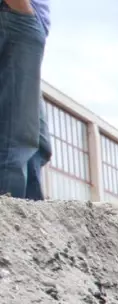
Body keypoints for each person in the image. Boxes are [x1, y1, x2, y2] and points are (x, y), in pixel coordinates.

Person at [0, 0, 51, 200]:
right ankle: (7, 224)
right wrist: (21, 9)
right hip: (16, 19)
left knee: (38, 145)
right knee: (14, 143)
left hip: (24, 22)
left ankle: (30, 226)